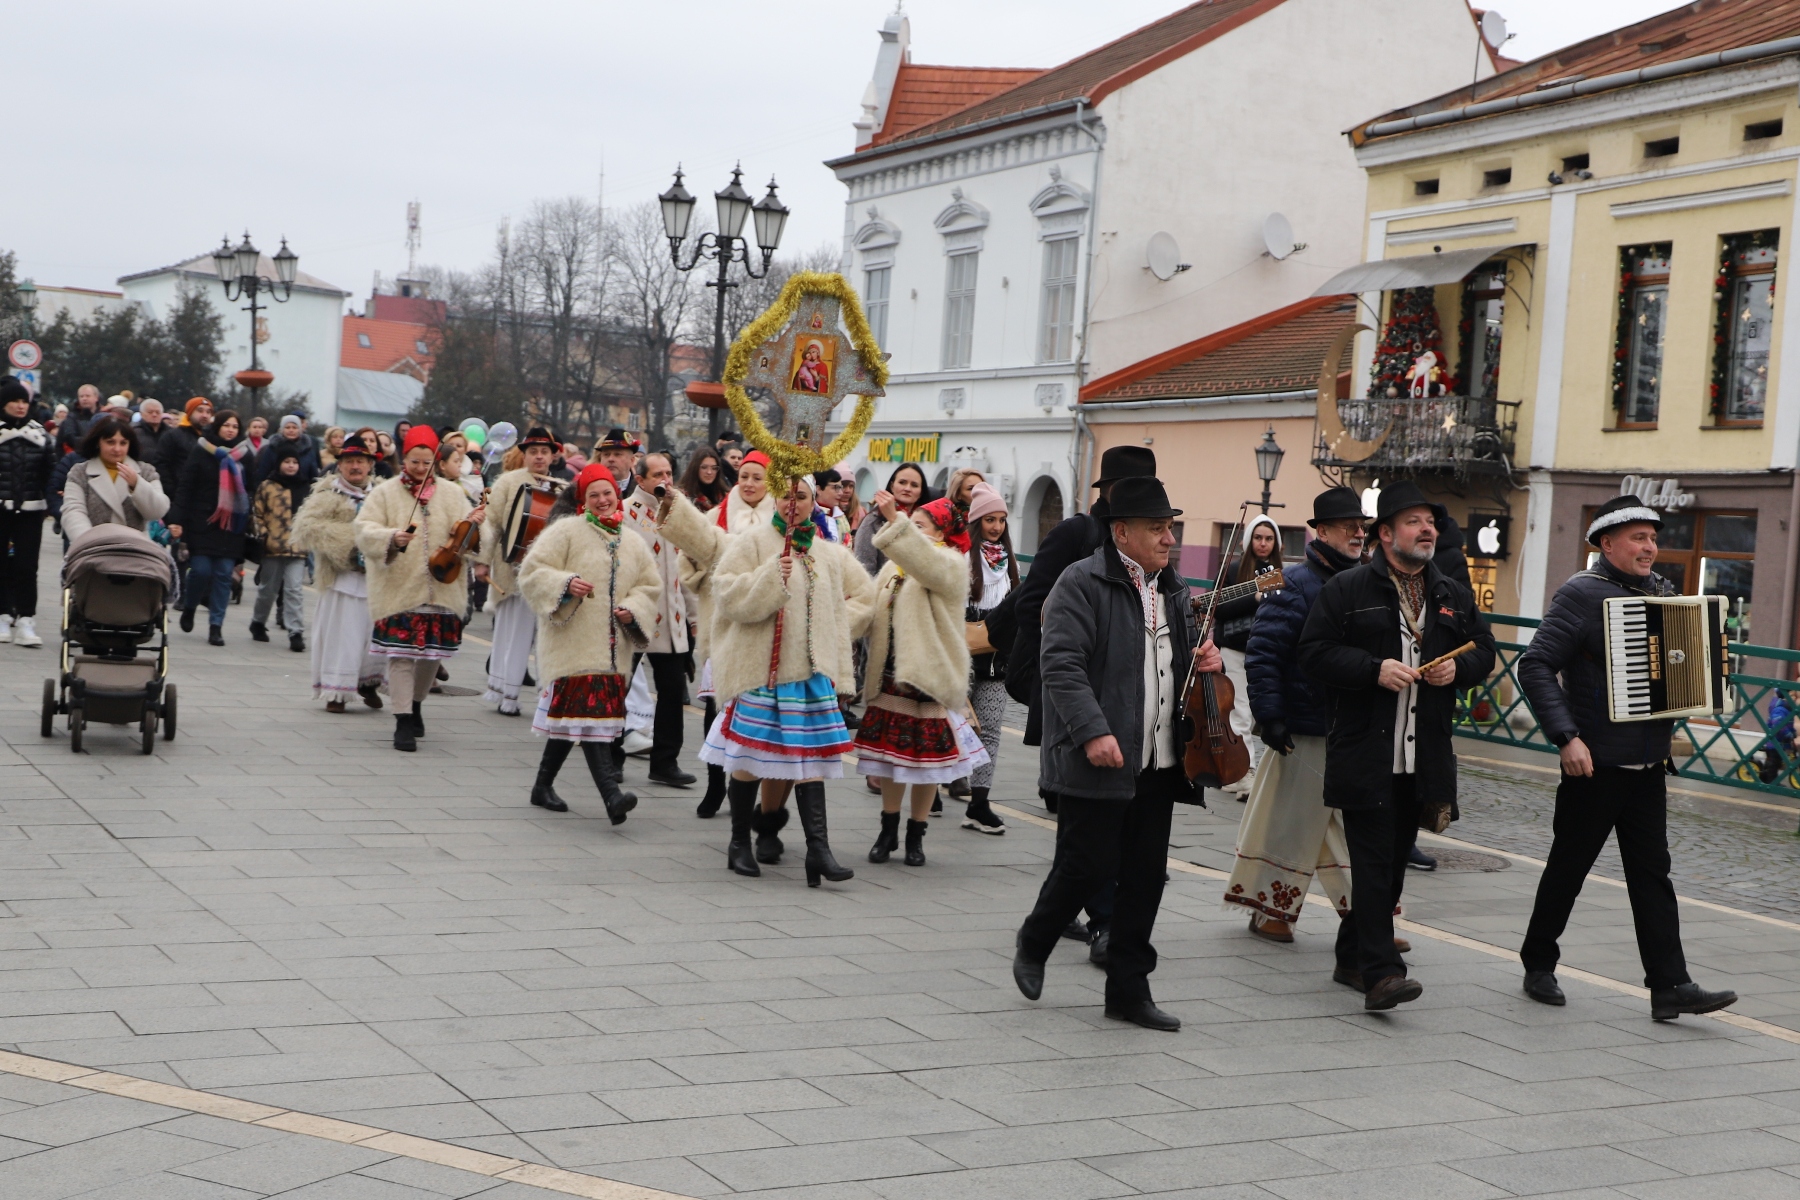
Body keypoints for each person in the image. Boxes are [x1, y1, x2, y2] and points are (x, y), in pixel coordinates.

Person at [1513, 494, 1740, 1021]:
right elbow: (1537, 665)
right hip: (1594, 763)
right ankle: (1538, 962)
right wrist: (1566, 737)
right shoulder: (1581, 595)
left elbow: (1682, 666)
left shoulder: (1663, 594)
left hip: (1649, 764)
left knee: (1652, 874)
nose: (1650, 547)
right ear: (1606, 544)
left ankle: (1670, 986)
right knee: (1569, 866)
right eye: (1638, 538)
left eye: (1653, 537)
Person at [1012, 476, 1224, 1031]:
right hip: (1098, 756)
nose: (1169, 538)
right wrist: (1092, 731)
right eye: (1157, 528)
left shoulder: (1172, 590)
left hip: (1159, 758)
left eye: (1171, 527)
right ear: (1121, 531)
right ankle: (1036, 939)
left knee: (1145, 877)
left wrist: (1204, 658)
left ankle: (1128, 990)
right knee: (1086, 865)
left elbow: (1175, 663)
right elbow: (1061, 664)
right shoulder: (1078, 584)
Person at [1297, 480, 1494, 1011]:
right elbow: (1312, 653)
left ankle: (1349, 956)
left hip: (1422, 754)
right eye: (1413, 521)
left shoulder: (1451, 592)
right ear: (1385, 534)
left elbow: (1486, 650)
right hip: (1366, 750)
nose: (1427, 529)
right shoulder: (1347, 590)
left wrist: (1458, 668)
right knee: (1373, 861)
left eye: (1430, 522)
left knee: (1391, 864)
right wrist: (1371, 670)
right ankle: (1382, 973)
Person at [1006, 445, 1159, 953]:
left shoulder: (1158, 566)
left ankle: (1073, 911)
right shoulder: (1077, 536)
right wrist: (1068, 657)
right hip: (1071, 698)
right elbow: (1033, 604)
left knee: (1089, 831)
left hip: (1128, 710)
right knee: (1085, 823)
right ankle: (1098, 921)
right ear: (1111, 496)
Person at [702, 473, 874, 885]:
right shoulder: (752, 542)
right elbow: (725, 594)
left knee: (810, 761)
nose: (791, 503)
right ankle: (739, 841)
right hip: (764, 670)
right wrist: (768, 577)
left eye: (800, 496)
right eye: (784, 496)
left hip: (809, 675)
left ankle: (819, 850)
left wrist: (832, 634)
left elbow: (862, 597)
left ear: (813, 502)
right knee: (749, 761)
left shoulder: (828, 552)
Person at [1227, 487, 1362, 943]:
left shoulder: (1365, 581)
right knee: (1292, 822)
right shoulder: (1292, 583)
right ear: (1322, 532)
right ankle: (1271, 911)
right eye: (1349, 526)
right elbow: (1264, 652)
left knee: (1346, 825)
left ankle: (1366, 920)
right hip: (1303, 725)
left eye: (1361, 526)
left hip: (1352, 726)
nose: (1358, 533)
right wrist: (1271, 715)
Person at [518, 460, 660, 823]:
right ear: (582, 499)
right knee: (591, 721)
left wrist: (633, 608)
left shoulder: (631, 540)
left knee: (575, 721)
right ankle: (611, 797)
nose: (602, 500)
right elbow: (532, 572)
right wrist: (565, 584)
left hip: (613, 653)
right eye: (594, 495)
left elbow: (649, 586)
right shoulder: (565, 531)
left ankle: (541, 786)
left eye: (608, 493)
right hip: (573, 647)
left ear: (618, 495)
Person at [856, 493, 988, 866]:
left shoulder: (950, 563)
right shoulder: (895, 567)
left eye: (920, 526)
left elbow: (926, 563)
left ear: (943, 532)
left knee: (927, 764)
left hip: (928, 677)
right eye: (910, 525)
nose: (911, 531)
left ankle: (916, 835)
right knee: (892, 759)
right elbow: (871, 609)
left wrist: (895, 520)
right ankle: (887, 830)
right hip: (891, 675)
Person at [656, 449, 776, 820]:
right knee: (716, 707)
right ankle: (714, 786)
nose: (750, 484)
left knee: (760, 714)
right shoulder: (715, 516)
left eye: (758, 478)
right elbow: (687, 559)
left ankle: (754, 794)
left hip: (765, 626)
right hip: (720, 620)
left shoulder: (781, 518)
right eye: (745, 477)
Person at [355, 425, 485, 751]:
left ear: (435, 461)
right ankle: (402, 720)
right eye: (414, 461)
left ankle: (415, 704)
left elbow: (471, 544)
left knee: (430, 656)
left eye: (426, 462)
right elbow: (363, 529)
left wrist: (476, 528)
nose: (420, 468)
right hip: (399, 589)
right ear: (405, 458)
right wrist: (390, 538)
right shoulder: (383, 493)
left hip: (443, 588)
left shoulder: (454, 493)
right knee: (401, 656)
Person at [291, 431, 386, 713]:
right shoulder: (326, 493)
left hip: (377, 579)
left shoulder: (384, 495)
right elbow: (308, 528)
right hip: (341, 578)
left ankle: (369, 682)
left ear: (370, 464)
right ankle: (336, 692)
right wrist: (352, 543)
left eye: (360, 461)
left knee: (374, 635)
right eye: (349, 462)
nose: (355, 467)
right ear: (340, 464)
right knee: (342, 636)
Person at [620, 449, 697, 788]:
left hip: (673, 617)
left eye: (669, 474)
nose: (665, 480)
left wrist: (694, 616)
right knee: (618, 687)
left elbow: (690, 568)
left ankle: (665, 762)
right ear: (640, 479)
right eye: (657, 475)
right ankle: (610, 757)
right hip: (634, 615)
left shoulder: (679, 513)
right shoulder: (624, 512)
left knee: (671, 691)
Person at [478, 427, 561, 717]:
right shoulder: (508, 482)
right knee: (513, 630)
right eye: (533, 452)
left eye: (544, 452)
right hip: (510, 568)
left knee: (548, 635)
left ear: (553, 455)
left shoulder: (563, 487)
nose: (539, 456)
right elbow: (490, 524)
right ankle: (507, 693)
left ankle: (546, 696)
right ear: (524, 455)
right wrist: (480, 561)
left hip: (546, 573)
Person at [1212, 513, 1284, 798]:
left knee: (1257, 713)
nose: (1263, 543)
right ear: (1249, 539)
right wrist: (1253, 597)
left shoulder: (1278, 571)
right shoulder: (1232, 570)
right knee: (1239, 712)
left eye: (1268, 538)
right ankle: (1240, 773)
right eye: (1258, 537)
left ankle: (1242, 772)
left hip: (1266, 650)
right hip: (1234, 648)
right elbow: (1218, 607)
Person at [172, 409, 253, 646]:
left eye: (235, 427)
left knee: (223, 574)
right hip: (201, 521)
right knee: (200, 570)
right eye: (226, 425)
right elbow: (186, 486)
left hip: (231, 525)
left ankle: (216, 625)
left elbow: (252, 488)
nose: (230, 430)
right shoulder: (202, 450)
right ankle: (189, 606)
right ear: (217, 426)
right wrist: (177, 518)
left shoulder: (245, 455)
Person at [963, 482, 1014, 834]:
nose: (996, 527)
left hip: (997, 655)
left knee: (991, 730)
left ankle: (979, 802)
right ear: (976, 521)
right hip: (961, 651)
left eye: (1001, 520)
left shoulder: (1010, 562)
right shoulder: (961, 555)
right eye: (989, 520)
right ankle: (933, 787)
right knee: (954, 724)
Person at [0, 380, 56, 647]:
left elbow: (50, 473)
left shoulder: (41, 435)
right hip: (1, 508)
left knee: (27, 566)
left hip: (31, 510)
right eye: (15, 401)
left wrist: (51, 503)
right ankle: (1, 616)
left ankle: (26, 619)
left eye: (25, 402)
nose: (21, 406)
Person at [61, 413, 170, 541]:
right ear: (98, 443)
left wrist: (137, 485)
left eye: (123, 443)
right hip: (93, 549)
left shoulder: (145, 471)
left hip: (136, 550)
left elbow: (157, 511)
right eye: (110, 442)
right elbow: (73, 511)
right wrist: (87, 542)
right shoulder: (80, 473)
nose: (117, 449)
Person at [248, 443, 310, 652]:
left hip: (298, 547)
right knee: (268, 589)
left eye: (294, 462)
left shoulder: (306, 486)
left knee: (294, 589)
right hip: (272, 546)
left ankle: (296, 631)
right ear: (279, 464)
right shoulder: (268, 486)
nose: (291, 466)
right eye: (287, 462)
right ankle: (258, 622)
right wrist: (263, 533)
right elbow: (257, 513)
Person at [853, 462, 925, 575]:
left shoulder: (926, 522)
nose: (907, 488)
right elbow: (864, 568)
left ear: (921, 492)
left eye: (914, 485)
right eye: (902, 482)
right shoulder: (873, 520)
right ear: (892, 486)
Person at [254, 414, 320, 488]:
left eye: (294, 427)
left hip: (302, 491)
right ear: (282, 429)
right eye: (287, 427)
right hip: (276, 492)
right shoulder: (272, 448)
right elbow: (263, 473)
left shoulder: (307, 450)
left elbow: (314, 476)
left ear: (300, 430)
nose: (291, 430)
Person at [593, 428, 641, 501]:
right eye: (606, 454)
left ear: (632, 460)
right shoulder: (586, 488)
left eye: (617, 454)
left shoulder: (643, 490)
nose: (611, 459)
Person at [677, 448, 728, 513]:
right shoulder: (682, 497)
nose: (709, 472)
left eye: (714, 468)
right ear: (695, 468)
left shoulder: (725, 497)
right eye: (704, 467)